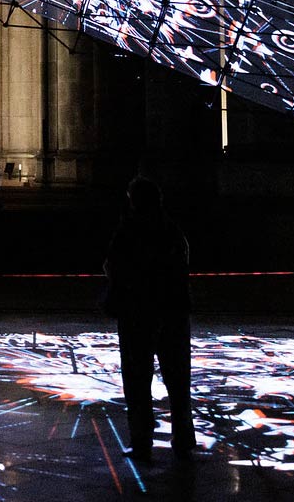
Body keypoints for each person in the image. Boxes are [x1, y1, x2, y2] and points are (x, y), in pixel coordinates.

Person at [103, 177, 196, 465]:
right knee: (177, 378)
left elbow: (113, 267)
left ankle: (142, 440)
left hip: (138, 313)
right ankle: (183, 437)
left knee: (137, 378)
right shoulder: (172, 230)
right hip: (173, 311)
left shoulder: (129, 230)